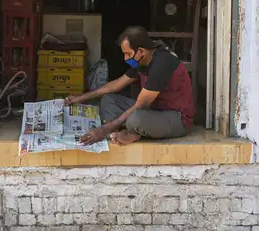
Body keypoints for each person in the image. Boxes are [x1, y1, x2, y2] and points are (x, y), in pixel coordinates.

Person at [65, 26, 194, 145]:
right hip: (153, 111)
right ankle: (126, 129)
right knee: (108, 99)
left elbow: (140, 105)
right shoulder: (142, 61)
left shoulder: (162, 63)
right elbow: (117, 84)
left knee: (136, 118)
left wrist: (102, 131)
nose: (125, 59)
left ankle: (131, 132)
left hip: (177, 119)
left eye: (128, 54)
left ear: (141, 51)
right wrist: (81, 98)